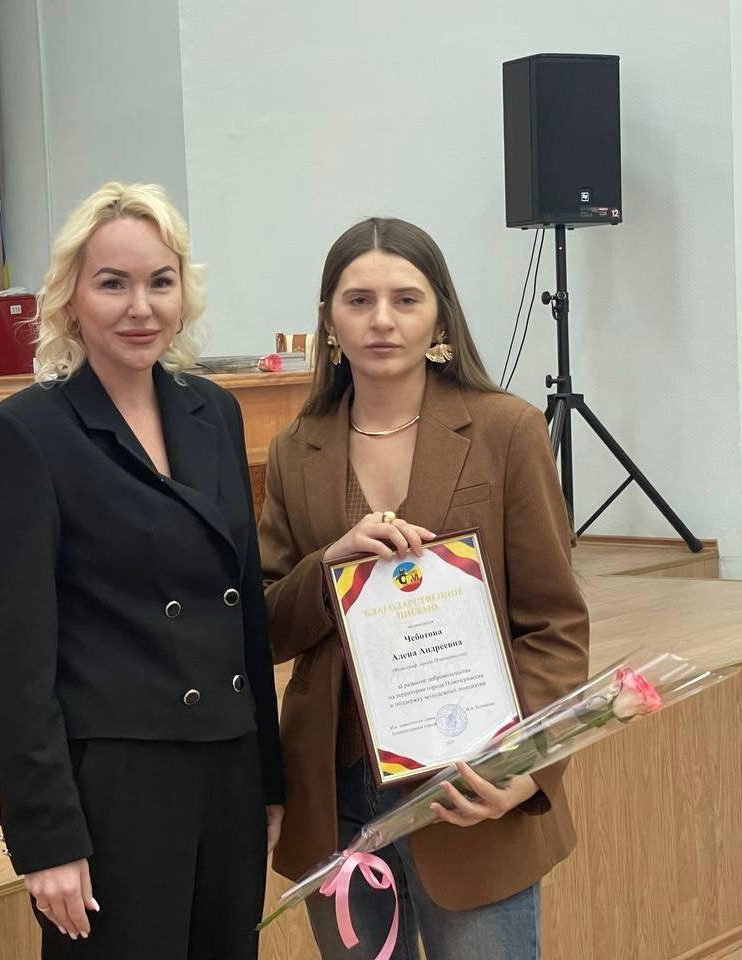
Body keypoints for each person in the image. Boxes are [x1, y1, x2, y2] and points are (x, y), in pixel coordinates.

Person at [0, 182, 283, 959]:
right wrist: (46, 838)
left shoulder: (215, 411)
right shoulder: (25, 434)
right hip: (116, 787)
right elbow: (15, 664)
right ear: (71, 299)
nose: (141, 307)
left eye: (160, 282)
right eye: (113, 284)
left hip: (228, 767)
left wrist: (269, 779)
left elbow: (243, 611)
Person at [257, 218, 589, 960]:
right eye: (359, 300)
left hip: (472, 787)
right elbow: (267, 626)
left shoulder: (507, 430)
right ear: (329, 321)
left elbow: (555, 625)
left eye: (405, 299)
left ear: (440, 316)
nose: (382, 320)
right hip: (335, 794)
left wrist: (525, 769)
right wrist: (329, 566)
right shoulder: (294, 450)